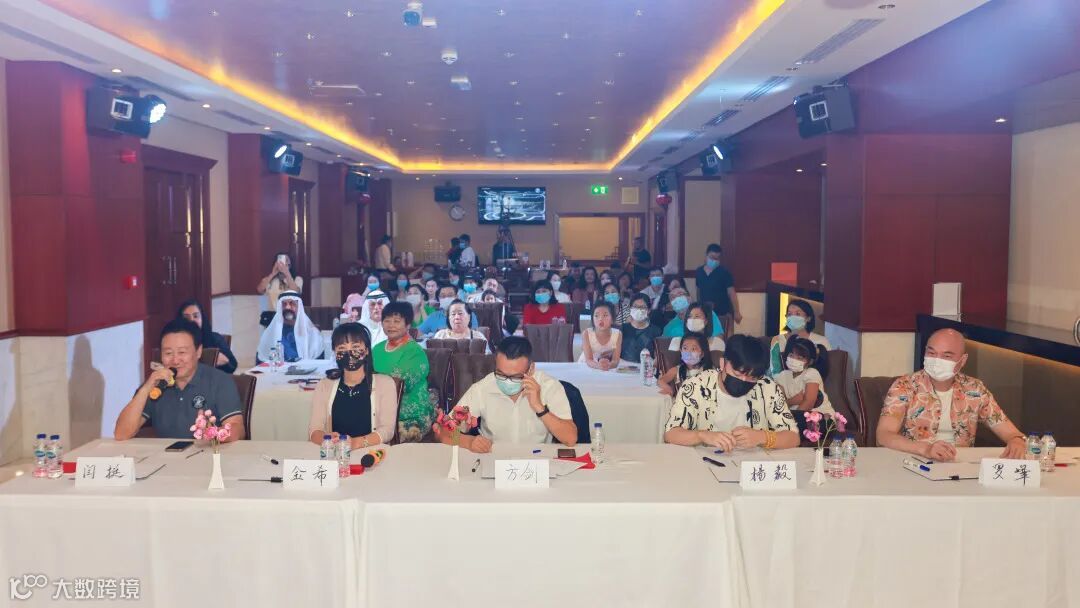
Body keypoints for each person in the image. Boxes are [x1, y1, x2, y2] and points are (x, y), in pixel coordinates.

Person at [877, 328, 1026, 461]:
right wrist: (925, 449)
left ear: (963, 360)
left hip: (960, 466)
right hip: (915, 462)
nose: (937, 361)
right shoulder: (905, 386)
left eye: (946, 356)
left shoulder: (975, 389)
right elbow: (883, 435)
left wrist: (1017, 441)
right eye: (931, 353)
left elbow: (1011, 433)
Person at [436, 337, 577, 452]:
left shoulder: (549, 387)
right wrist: (469, 442)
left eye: (515, 377)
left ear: (531, 369)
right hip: (494, 460)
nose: (507, 381)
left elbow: (570, 439)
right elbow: (444, 432)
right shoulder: (482, 389)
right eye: (501, 374)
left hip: (538, 460)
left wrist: (539, 408)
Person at [115, 319, 245, 441]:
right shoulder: (157, 385)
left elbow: (237, 429)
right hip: (165, 455)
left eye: (182, 352)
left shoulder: (220, 381)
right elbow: (121, 433)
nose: (175, 360)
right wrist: (146, 388)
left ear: (198, 351)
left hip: (208, 453)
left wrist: (212, 433)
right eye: (168, 353)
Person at [664, 335, 798, 450]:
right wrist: (702, 435)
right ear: (723, 363)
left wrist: (762, 437)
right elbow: (671, 434)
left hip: (753, 465)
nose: (743, 381)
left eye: (752, 378)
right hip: (705, 463)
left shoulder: (767, 388)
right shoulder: (695, 386)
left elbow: (793, 437)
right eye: (738, 374)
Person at [308, 323, 399, 448]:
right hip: (336, 452)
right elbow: (314, 430)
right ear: (335, 352)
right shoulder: (324, 385)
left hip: (371, 453)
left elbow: (387, 431)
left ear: (366, 350)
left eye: (355, 347)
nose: (349, 353)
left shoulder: (385, 383)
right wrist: (327, 439)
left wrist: (356, 443)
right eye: (342, 348)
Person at [372, 302, 432, 442]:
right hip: (376, 411)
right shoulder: (377, 349)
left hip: (409, 416)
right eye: (387, 320)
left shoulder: (415, 352)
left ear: (408, 324)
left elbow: (399, 385)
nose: (391, 325)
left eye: (397, 321)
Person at [774, 336, 832, 435]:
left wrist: (792, 421)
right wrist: (792, 401)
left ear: (810, 362)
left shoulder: (811, 373)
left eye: (800, 358)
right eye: (791, 355)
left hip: (819, 418)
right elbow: (779, 404)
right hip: (793, 418)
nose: (794, 359)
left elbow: (808, 403)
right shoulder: (782, 376)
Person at [769, 299, 832, 376]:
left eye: (798, 314)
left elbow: (827, 368)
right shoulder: (777, 340)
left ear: (808, 318)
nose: (792, 317)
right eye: (789, 314)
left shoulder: (822, 341)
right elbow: (775, 370)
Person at [257, 291, 324, 363]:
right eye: (284, 304)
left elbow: (319, 361)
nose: (287, 307)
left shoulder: (312, 332)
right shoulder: (271, 333)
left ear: (299, 307)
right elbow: (262, 359)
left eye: (292, 303)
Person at [176, 299, 237, 374]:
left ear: (202, 319)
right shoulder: (174, 340)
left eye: (196, 316)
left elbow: (233, 365)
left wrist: (224, 361)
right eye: (187, 318)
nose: (192, 320)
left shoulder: (215, 338)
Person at [695, 244, 741, 338]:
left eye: (717, 258)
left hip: (723, 312)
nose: (714, 260)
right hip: (706, 312)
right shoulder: (699, 272)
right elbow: (698, 290)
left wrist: (737, 312)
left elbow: (731, 293)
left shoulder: (724, 273)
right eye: (712, 257)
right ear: (706, 256)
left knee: (725, 337)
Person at [658, 332, 713, 397]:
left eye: (693, 349)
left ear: (702, 353)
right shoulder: (676, 370)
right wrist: (668, 389)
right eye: (685, 348)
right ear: (681, 351)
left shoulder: (709, 371)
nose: (688, 352)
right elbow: (661, 381)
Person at [578, 302, 622, 370]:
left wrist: (608, 365)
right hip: (586, 366)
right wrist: (599, 366)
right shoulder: (586, 333)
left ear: (612, 319)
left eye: (605, 315)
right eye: (596, 316)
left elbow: (615, 360)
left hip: (606, 367)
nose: (600, 319)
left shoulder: (617, 334)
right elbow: (589, 360)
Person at [620, 294, 662, 363]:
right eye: (635, 306)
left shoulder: (656, 331)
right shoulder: (622, 329)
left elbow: (657, 356)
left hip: (646, 367)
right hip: (623, 367)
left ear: (648, 310)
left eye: (642, 307)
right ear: (630, 309)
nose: (638, 310)